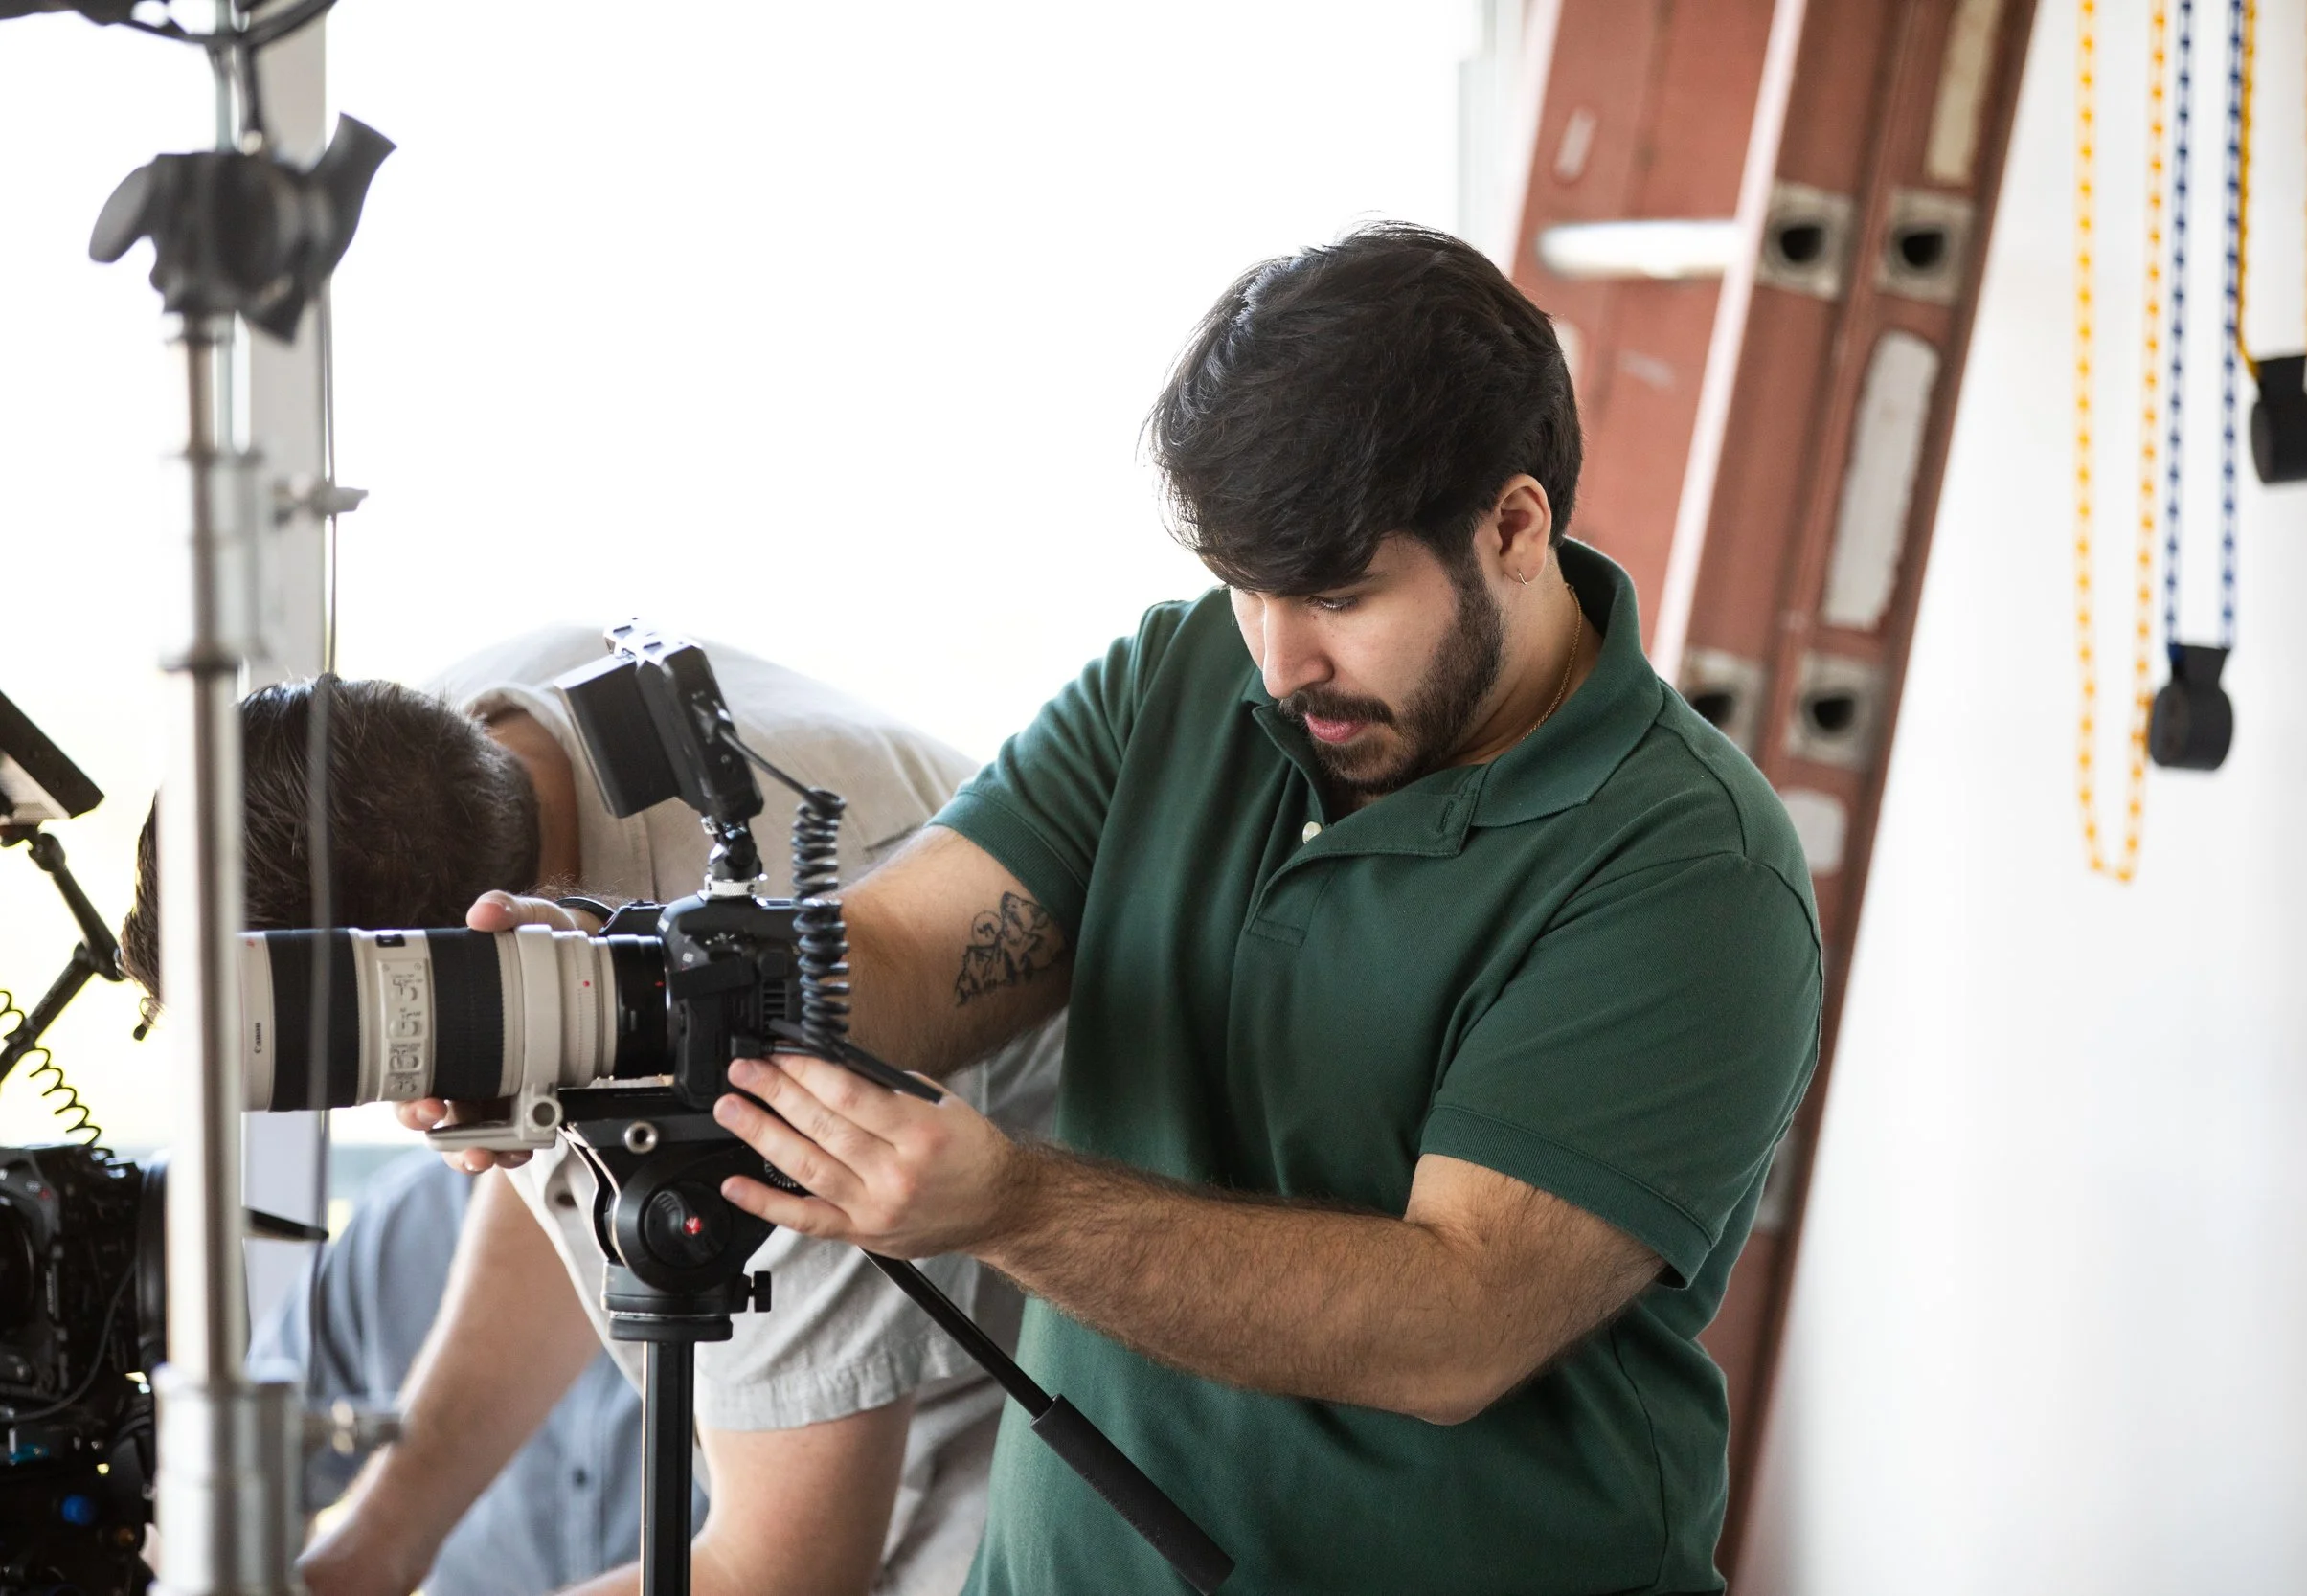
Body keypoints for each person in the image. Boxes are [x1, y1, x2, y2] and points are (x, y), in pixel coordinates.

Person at [453, 223, 1824, 1594]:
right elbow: (902, 955)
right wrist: (590, 997)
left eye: (1341, 594)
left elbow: (1454, 1324)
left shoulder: (1689, 869)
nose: (1283, 662)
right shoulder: (1177, 680)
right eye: (1246, 588)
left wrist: (1012, 1204)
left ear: (1515, 527)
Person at [123, 631, 1058, 1596]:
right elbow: (584, 1190)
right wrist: (367, 1555)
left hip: (1010, 1401)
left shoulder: (777, 985)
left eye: (387, 1057)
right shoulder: (439, 768)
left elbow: (783, 1566)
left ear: (483, 950)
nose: (408, 1106)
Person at [249, 1150, 676, 1596]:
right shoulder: (399, 1222)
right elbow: (252, 1479)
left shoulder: (731, 1219)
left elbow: (747, 1560)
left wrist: (365, 1559)